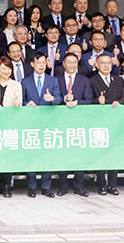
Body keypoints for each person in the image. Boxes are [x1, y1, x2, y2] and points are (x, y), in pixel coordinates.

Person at [21, 52, 61, 198]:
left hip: (47, 123)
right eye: (38, 63)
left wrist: (52, 99)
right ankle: (31, 187)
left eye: (43, 62)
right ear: (32, 64)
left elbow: (59, 99)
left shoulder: (53, 80)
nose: (41, 65)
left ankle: (46, 187)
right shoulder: (25, 81)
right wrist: (27, 103)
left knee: (46, 155)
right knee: (30, 154)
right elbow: (21, 101)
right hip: (30, 123)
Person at [89, 53, 124, 195]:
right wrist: (97, 101)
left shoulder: (118, 80)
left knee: (113, 152)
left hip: (115, 121)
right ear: (97, 65)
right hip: (99, 120)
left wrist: (119, 102)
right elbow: (88, 100)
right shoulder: (92, 80)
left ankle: (112, 184)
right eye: (103, 63)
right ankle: (101, 184)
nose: (106, 66)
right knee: (100, 151)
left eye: (109, 63)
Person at [56, 53, 92, 196]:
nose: (72, 65)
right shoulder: (56, 79)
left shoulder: (84, 80)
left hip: (79, 123)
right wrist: (65, 98)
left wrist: (77, 102)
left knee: (79, 154)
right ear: (64, 64)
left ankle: (79, 186)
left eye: (74, 62)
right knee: (62, 154)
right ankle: (62, 185)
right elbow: (54, 99)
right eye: (69, 62)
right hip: (61, 123)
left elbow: (89, 100)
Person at [0, 57, 22, 198]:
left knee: (8, 154)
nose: (6, 71)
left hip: (10, 124)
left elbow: (19, 102)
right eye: (3, 68)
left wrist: (17, 103)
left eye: (8, 69)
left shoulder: (16, 85)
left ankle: (7, 185)